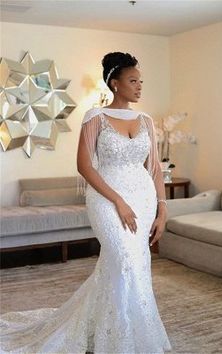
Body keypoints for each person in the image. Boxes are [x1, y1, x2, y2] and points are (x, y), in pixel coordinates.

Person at [0, 52, 172, 354]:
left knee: (135, 265)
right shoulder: (96, 116)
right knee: (123, 261)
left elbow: (155, 168)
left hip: (143, 199)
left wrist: (163, 209)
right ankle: (117, 340)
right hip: (107, 198)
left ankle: (126, 335)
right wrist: (117, 200)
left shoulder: (145, 120)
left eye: (141, 81)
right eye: (133, 81)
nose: (139, 87)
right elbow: (85, 166)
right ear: (115, 84)